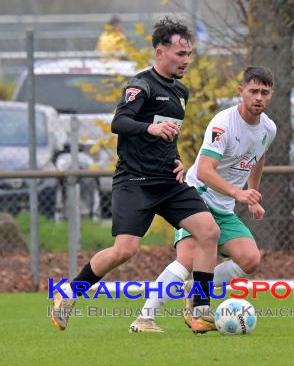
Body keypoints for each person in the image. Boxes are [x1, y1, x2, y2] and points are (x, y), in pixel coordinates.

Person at [50, 17, 221, 334]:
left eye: (188, 55)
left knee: (209, 232)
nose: (185, 60)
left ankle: (199, 310)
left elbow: (170, 134)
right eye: (180, 54)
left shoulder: (181, 91)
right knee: (124, 251)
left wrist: (179, 160)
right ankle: (68, 293)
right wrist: (150, 128)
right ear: (160, 52)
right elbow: (119, 122)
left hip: (169, 183)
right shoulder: (140, 85)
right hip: (135, 182)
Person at [129, 66, 276, 334]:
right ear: (240, 91)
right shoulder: (224, 123)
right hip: (196, 197)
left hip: (225, 206)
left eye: (265, 92)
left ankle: (195, 287)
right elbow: (206, 171)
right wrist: (238, 193)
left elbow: (258, 157)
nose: (259, 97)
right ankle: (144, 319)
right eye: (253, 91)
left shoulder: (268, 128)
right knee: (187, 259)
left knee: (251, 260)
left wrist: (252, 196)